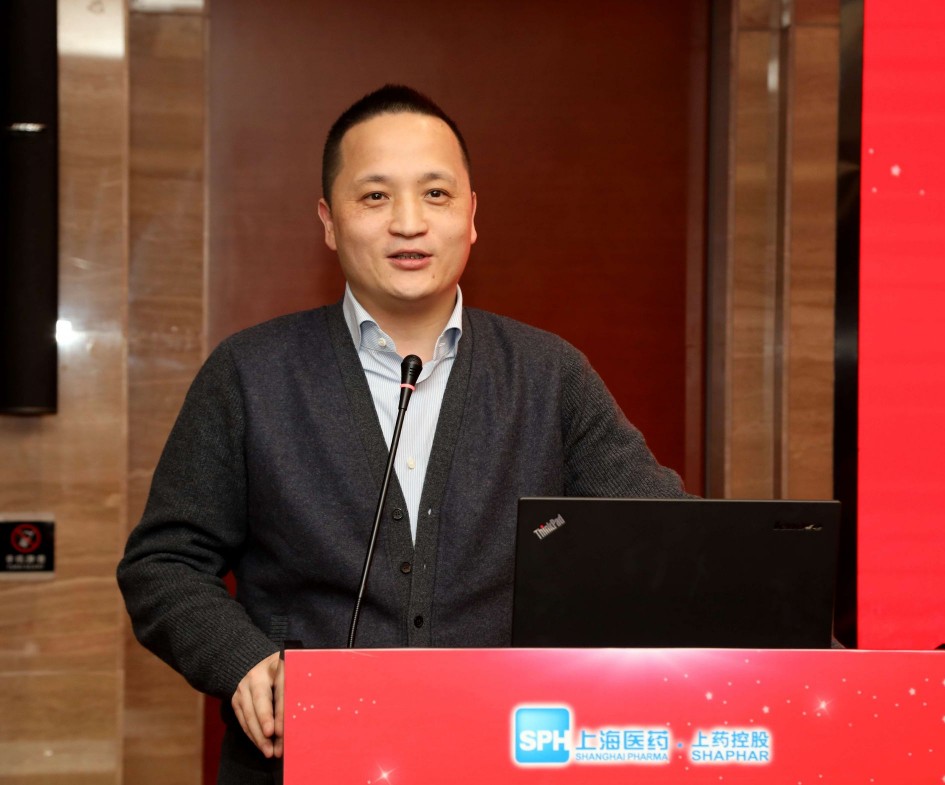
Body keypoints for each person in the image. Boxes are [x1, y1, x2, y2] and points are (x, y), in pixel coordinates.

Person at [117, 84, 687, 784]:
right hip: (302, 760)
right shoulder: (248, 372)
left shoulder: (549, 374)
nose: (409, 223)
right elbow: (164, 563)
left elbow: (667, 540)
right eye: (375, 196)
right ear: (329, 221)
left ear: (471, 216)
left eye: (436, 194)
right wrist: (242, 658)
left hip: (502, 757)